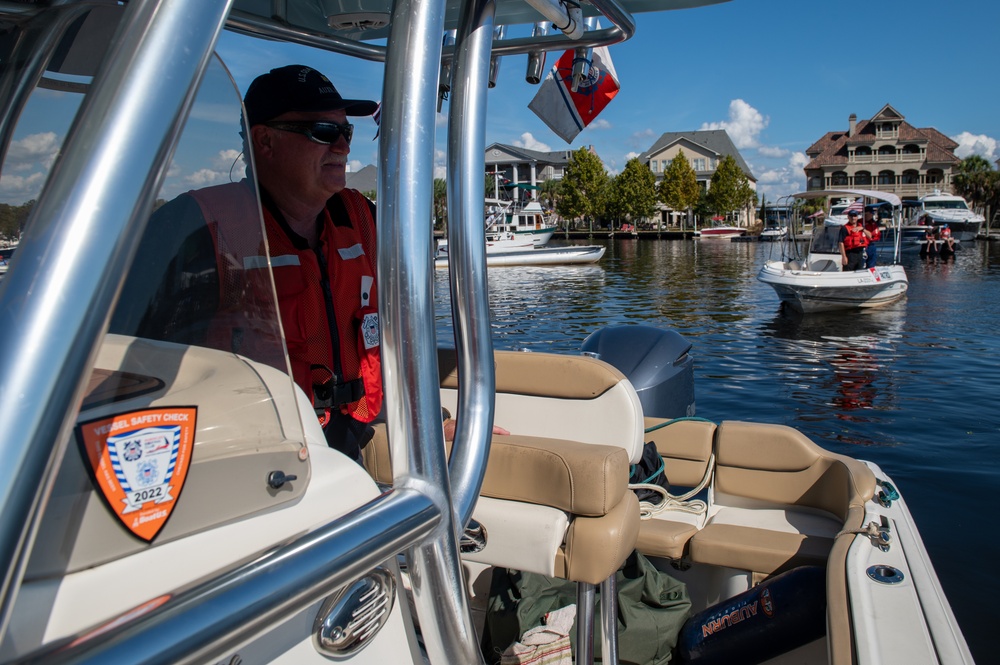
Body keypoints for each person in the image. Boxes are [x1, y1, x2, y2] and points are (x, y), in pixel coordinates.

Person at [112, 65, 504, 462]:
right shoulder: (195, 230)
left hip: (347, 447)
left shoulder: (363, 221)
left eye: (346, 132)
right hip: (246, 457)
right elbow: (130, 373)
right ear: (264, 141)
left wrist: (430, 421)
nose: (343, 147)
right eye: (323, 131)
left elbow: (396, 343)